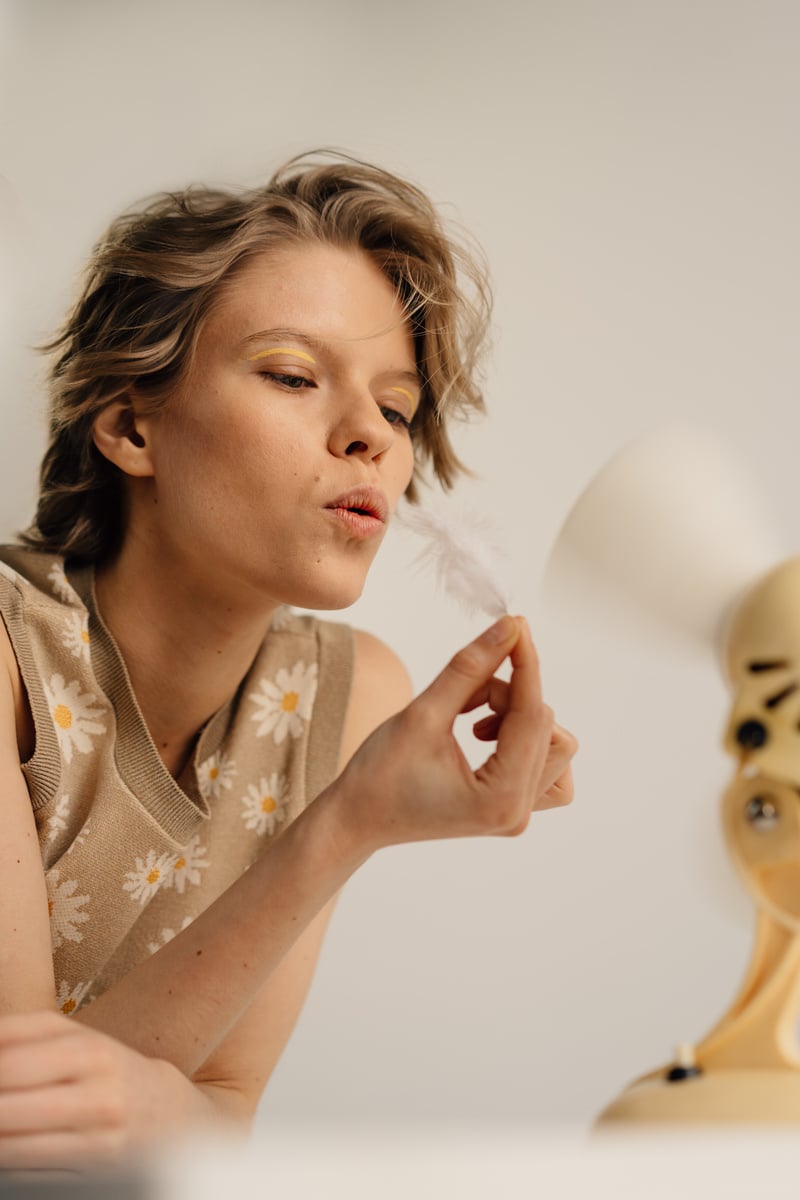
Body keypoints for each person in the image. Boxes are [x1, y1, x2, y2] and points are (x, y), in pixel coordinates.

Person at [0, 152, 577, 1170]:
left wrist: (165, 1111)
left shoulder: (351, 699)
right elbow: (22, 1135)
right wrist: (346, 825)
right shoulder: (8, 657)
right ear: (133, 426)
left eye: (396, 411)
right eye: (291, 375)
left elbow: (223, 1114)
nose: (367, 436)